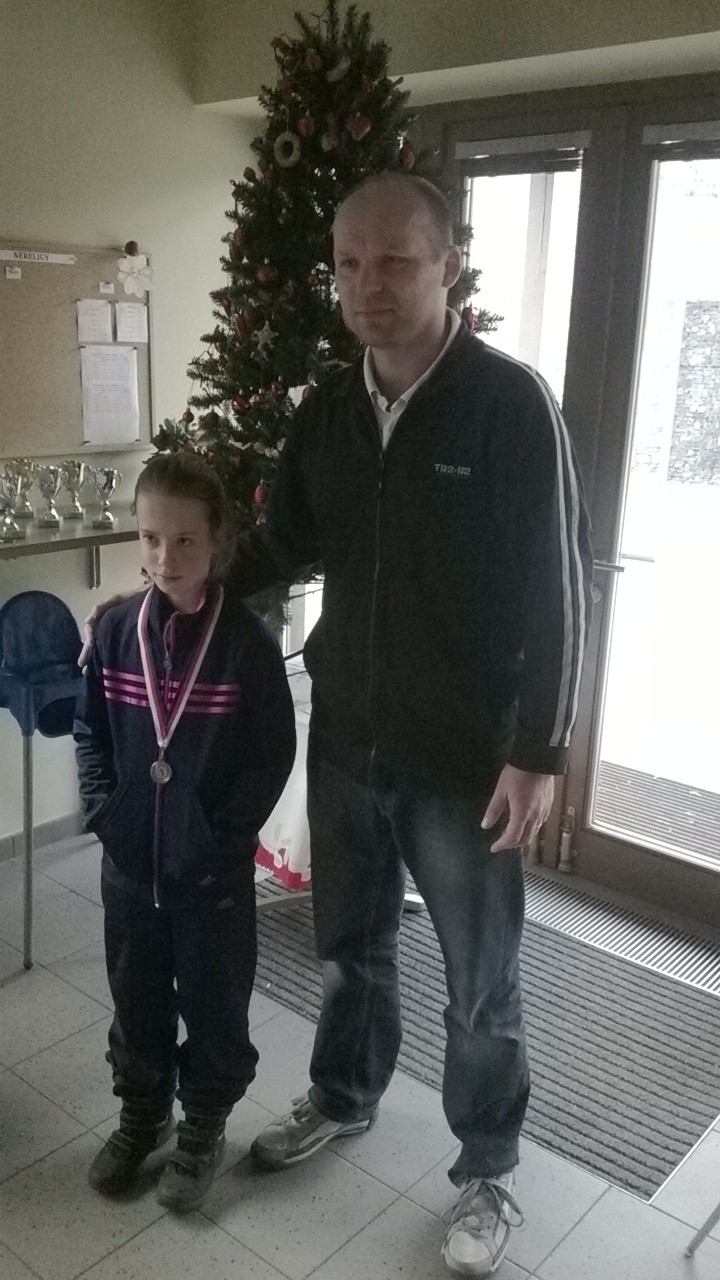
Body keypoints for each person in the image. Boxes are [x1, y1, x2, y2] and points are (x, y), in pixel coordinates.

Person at [81, 171, 592, 1274]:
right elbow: (282, 543)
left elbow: (558, 587)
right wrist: (177, 588)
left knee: (479, 981)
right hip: (349, 740)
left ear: (448, 263)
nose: (369, 285)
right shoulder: (326, 408)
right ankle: (346, 1093)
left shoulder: (510, 406)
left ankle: (487, 1167)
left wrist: (538, 750)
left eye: (395, 261)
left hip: (464, 760)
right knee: (349, 950)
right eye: (349, 264)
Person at [74, 451, 296, 1213]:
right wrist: (107, 811)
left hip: (211, 877)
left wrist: (222, 841)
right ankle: (143, 1115)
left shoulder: (247, 645)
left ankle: (203, 1124)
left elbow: (270, 755)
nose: (166, 559)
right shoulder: (114, 634)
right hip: (130, 867)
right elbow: (91, 732)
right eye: (150, 539)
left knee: (214, 1003)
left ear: (220, 539)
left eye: (186, 541)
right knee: (135, 998)